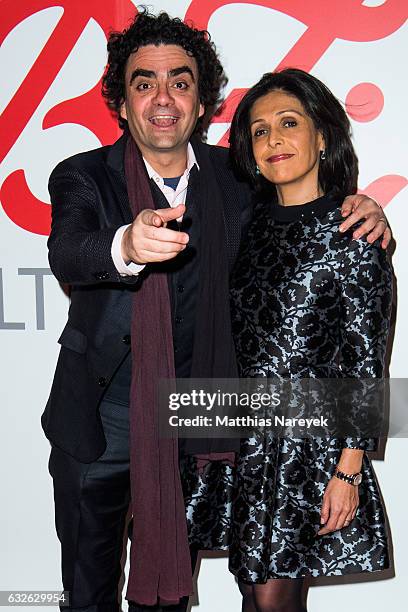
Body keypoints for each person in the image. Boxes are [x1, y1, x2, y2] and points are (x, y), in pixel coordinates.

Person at [41, 9, 391, 612]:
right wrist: (125, 244)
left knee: (171, 589)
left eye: (180, 81)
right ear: (121, 103)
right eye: (143, 83)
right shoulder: (82, 176)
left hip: (200, 424)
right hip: (102, 419)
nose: (162, 98)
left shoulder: (237, 180)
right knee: (87, 593)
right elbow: (70, 252)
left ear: (201, 102)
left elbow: (303, 209)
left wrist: (366, 206)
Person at [227, 68, 392, 612]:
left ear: (322, 136)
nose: (273, 139)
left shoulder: (354, 232)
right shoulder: (242, 226)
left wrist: (348, 470)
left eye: (289, 123)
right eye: (258, 130)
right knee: (253, 597)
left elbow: (367, 363)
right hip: (242, 442)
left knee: (276, 601)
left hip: (311, 451)